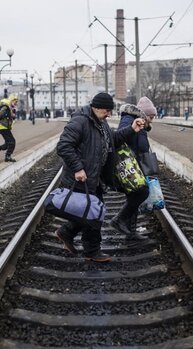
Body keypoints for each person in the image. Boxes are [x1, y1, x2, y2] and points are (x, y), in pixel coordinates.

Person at [55, 92, 146, 263]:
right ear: (96, 108)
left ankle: (66, 233)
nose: (109, 114)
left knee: (91, 211)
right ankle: (92, 251)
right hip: (81, 178)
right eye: (107, 110)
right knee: (94, 214)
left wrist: (132, 129)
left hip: (94, 177)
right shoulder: (80, 121)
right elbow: (64, 146)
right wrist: (78, 168)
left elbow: (114, 139)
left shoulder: (100, 123)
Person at [110, 96, 157, 240]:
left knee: (134, 195)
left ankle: (130, 232)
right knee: (140, 192)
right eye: (151, 116)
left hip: (135, 163)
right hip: (128, 164)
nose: (152, 119)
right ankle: (119, 220)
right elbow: (120, 138)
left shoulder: (138, 121)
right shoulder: (128, 120)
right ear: (143, 113)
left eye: (153, 116)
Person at [0, 95, 18, 162]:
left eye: (17, 102)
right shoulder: (5, 106)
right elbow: (0, 113)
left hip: (5, 127)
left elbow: (11, 117)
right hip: (3, 126)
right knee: (12, 142)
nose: (16, 103)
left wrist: (13, 115)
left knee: (8, 143)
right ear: (11, 100)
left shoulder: (10, 108)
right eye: (15, 102)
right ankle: (8, 156)